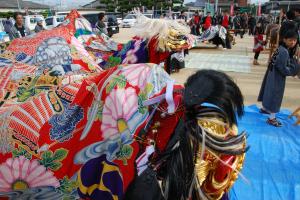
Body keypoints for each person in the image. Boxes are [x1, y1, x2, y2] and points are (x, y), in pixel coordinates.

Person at [258, 21, 300, 127]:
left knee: (268, 92)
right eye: (290, 40)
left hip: (271, 74)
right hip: (277, 77)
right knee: (275, 97)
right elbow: (284, 70)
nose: (293, 42)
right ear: (284, 39)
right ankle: (272, 119)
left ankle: (264, 109)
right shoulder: (284, 52)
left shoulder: (280, 48)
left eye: (295, 40)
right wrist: (295, 67)